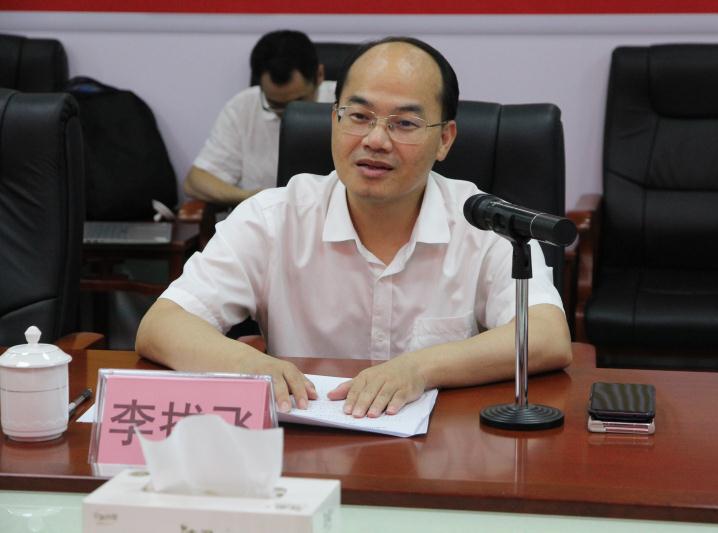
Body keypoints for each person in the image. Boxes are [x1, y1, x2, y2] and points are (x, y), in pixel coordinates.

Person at [136, 36, 572, 419]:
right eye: (359, 116)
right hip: (304, 448)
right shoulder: (273, 218)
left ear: (445, 139)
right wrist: (248, 365)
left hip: (441, 451)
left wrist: (419, 368)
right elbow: (163, 324)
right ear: (334, 120)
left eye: (404, 123)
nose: (375, 140)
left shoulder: (484, 223)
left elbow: (547, 336)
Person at [183, 30, 336, 206]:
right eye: (275, 104)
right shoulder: (243, 107)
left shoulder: (347, 104)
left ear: (319, 75)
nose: (287, 114)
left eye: (297, 103)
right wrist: (252, 198)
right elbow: (196, 180)